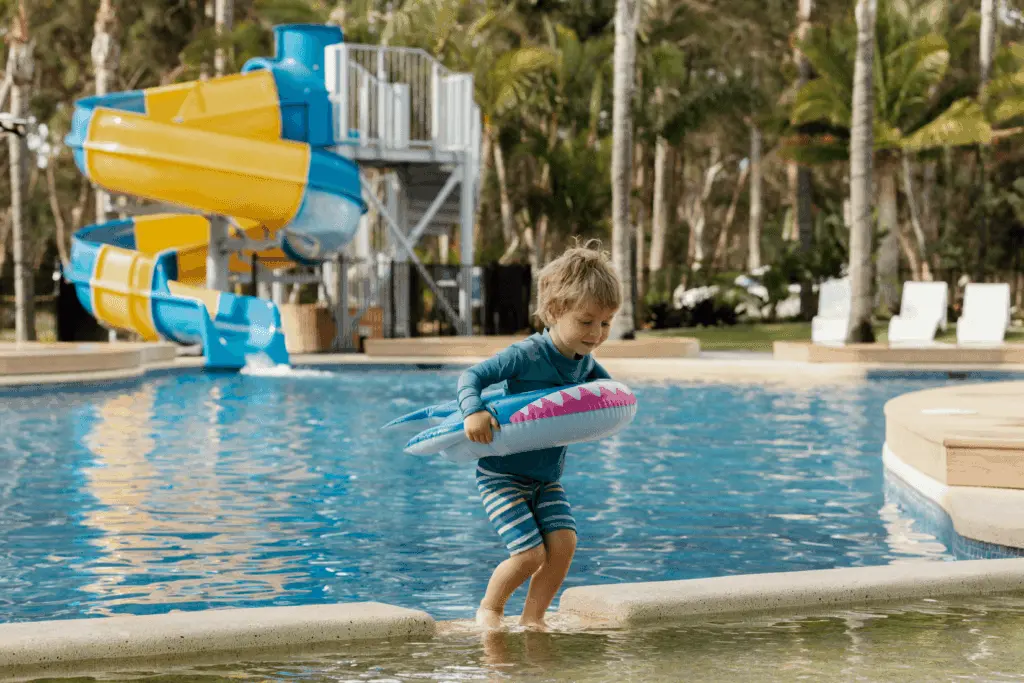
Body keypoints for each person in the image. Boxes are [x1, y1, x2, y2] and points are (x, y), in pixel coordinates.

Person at [456, 239, 622, 630]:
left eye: (605, 322)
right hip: (502, 476)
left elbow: (608, 397)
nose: (597, 333)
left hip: (546, 479)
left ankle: (534, 618)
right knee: (529, 554)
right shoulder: (526, 354)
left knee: (563, 546)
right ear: (554, 311)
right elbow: (472, 376)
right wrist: (474, 411)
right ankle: (491, 611)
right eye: (586, 322)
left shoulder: (586, 363)